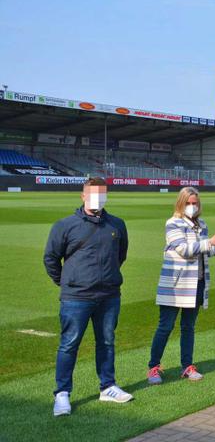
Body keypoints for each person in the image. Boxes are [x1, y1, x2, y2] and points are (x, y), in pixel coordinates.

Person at [43, 177, 132, 417]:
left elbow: (120, 256)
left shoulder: (117, 225)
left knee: (107, 342)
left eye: (101, 194)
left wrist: (108, 277)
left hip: (109, 295)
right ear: (83, 196)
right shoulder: (65, 225)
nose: (96, 199)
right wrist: (65, 282)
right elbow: (51, 259)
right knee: (69, 344)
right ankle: (62, 394)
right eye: (91, 194)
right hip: (76, 297)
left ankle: (108, 386)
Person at [147, 187, 215, 384]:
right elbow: (183, 249)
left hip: (197, 283)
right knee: (165, 326)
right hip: (176, 284)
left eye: (194, 203)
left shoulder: (202, 225)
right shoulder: (173, 223)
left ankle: (187, 366)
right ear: (181, 204)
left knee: (188, 327)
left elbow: (205, 252)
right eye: (188, 203)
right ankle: (153, 367)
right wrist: (209, 243)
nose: (191, 206)